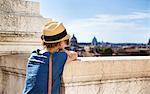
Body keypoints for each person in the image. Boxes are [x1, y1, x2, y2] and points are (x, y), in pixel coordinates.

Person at [23, 21, 77, 94]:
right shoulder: (58, 58)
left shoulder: (34, 55)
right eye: (66, 41)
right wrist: (63, 50)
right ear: (60, 43)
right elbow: (74, 55)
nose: (67, 44)